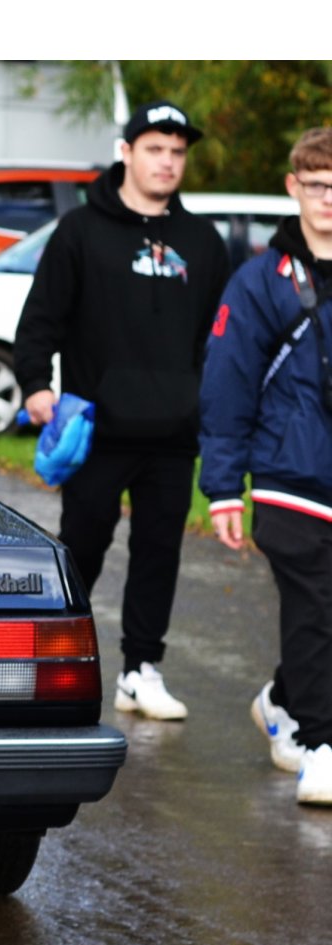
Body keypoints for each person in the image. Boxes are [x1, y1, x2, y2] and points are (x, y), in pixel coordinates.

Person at [14, 100, 230, 721]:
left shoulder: (202, 241)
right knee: (82, 545)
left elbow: (218, 338)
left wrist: (204, 402)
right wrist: (35, 384)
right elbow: (41, 319)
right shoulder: (81, 230)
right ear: (127, 152)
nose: (167, 162)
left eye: (177, 152)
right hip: (98, 427)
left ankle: (141, 671)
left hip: (172, 431)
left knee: (161, 552)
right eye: (155, 149)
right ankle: (52, 658)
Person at [200, 126, 332, 805]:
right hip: (288, 476)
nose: (328, 199)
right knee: (314, 605)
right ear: (293, 187)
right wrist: (224, 489)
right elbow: (227, 384)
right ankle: (321, 744)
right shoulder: (259, 280)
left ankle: (283, 699)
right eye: (316, 185)